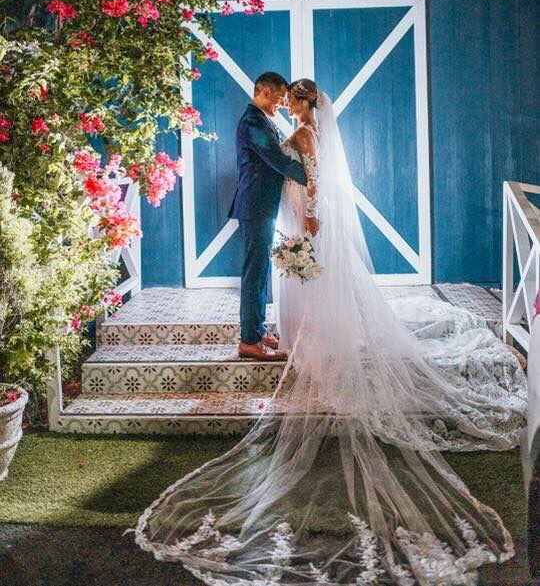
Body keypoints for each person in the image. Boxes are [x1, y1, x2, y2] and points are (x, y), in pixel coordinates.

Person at [129, 79, 527, 585]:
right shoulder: (264, 124)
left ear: (300, 101)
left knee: (288, 277)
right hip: (281, 210)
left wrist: (310, 206)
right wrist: (301, 190)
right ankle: (265, 335)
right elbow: (285, 166)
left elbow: (309, 172)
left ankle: (279, 337)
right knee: (276, 277)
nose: (284, 103)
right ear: (268, 93)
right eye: (281, 97)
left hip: (300, 214)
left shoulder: (302, 130)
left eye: (290, 98)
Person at [228, 71, 306, 362]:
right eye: (277, 98)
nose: (280, 104)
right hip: (255, 206)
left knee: (260, 273)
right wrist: (311, 176)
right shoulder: (252, 122)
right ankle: (248, 341)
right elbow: (276, 159)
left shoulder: (262, 120)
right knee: (254, 274)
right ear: (262, 92)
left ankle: (256, 330)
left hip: (262, 206)